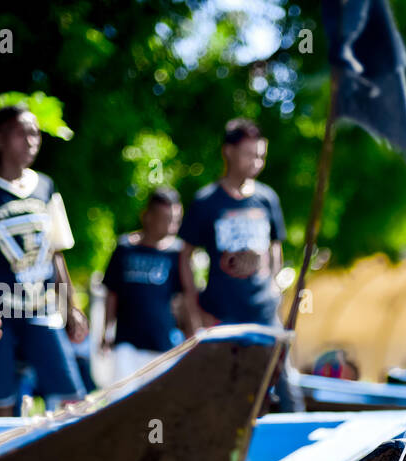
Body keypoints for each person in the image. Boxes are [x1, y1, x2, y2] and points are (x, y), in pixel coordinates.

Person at [0, 103, 87, 415]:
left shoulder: (46, 188)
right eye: (21, 134)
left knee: (71, 398)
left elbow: (56, 255)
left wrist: (71, 308)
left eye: (35, 134)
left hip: (40, 308)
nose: (31, 141)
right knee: (2, 403)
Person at [178, 118, 303, 411]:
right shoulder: (206, 201)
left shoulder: (267, 198)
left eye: (261, 155)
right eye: (249, 154)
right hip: (222, 317)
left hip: (264, 314)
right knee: (222, 395)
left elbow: (276, 248)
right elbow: (185, 256)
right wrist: (194, 308)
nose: (256, 162)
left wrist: (274, 289)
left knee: (287, 394)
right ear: (229, 152)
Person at [101, 188, 185, 380]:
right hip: (127, 344)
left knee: (158, 406)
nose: (171, 226)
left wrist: (190, 336)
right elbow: (112, 293)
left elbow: (184, 298)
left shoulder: (177, 254)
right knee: (123, 401)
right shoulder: (125, 248)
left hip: (162, 346)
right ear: (147, 216)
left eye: (175, 220)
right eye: (166, 219)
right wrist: (106, 332)